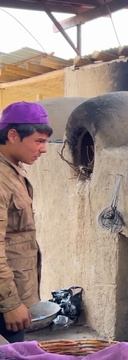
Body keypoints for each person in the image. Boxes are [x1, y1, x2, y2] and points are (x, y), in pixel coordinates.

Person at [0, 102, 51, 343]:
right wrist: (10, 304)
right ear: (12, 135)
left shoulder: (12, 171)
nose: (44, 149)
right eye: (39, 141)